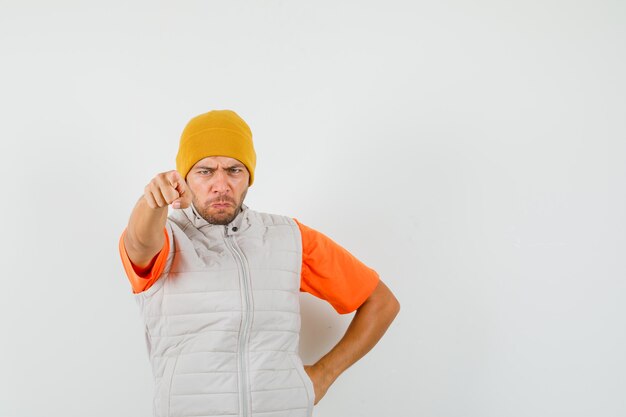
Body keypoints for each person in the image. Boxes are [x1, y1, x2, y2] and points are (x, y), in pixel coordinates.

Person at [118, 109, 400, 417]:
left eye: (234, 170)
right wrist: (152, 201)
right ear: (184, 177)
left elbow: (380, 301)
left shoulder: (290, 238)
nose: (221, 184)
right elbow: (139, 241)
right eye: (205, 171)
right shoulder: (168, 238)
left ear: (249, 176)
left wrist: (323, 375)